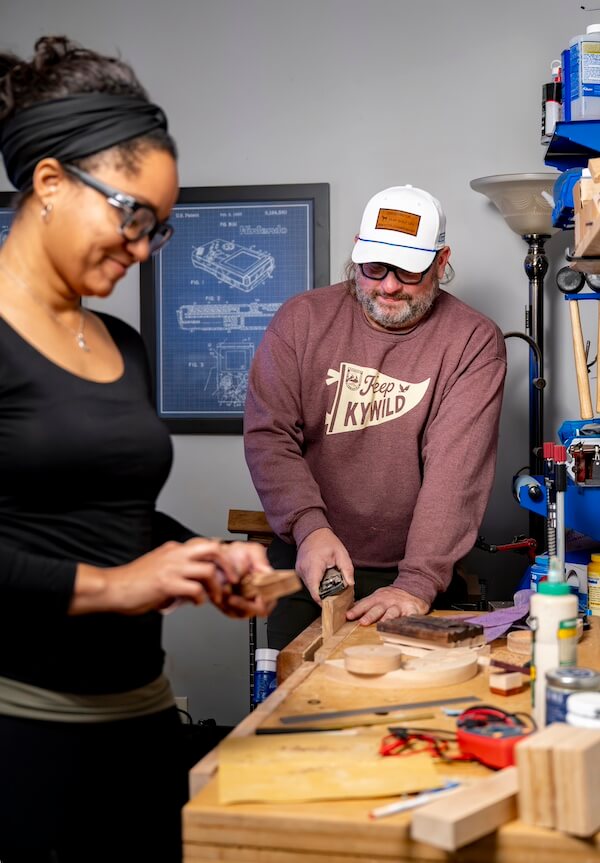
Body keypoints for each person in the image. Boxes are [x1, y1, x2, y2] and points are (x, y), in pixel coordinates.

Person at [0, 36, 275, 863]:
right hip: (24, 736)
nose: (145, 247)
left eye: (161, 226)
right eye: (133, 215)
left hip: (142, 720)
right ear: (50, 182)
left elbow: (106, 511)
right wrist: (114, 586)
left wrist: (197, 556)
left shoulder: (121, 340)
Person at [244, 184, 507, 650]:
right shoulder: (301, 320)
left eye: (408, 270)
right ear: (356, 252)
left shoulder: (473, 342)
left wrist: (418, 581)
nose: (388, 285)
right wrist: (309, 528)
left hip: (411, 568)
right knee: (296, 702)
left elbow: (456, 472)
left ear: (442, 261)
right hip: (309, 557)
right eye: (375, 267)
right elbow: (270, 436)